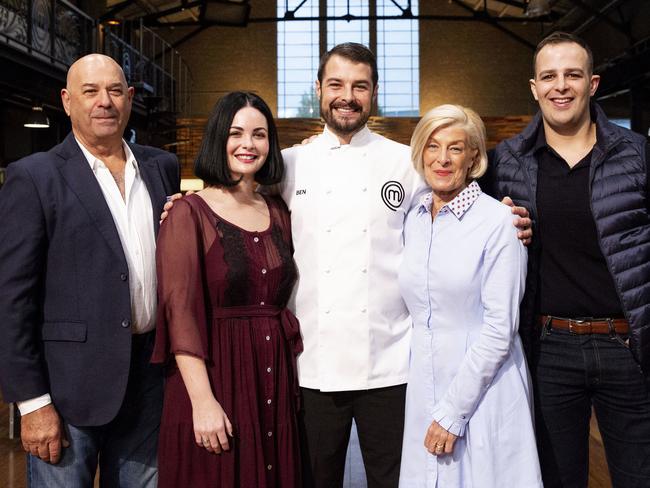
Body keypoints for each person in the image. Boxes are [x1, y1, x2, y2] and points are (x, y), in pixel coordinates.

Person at [161, 42, 533, 488]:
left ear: (373, 93)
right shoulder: (287, 165)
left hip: (393, 365)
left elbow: (458, 203)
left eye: (360, 86)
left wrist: (508, 215)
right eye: (336, 84)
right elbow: (235, 199)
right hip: (312, 366)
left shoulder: (408, 163)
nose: (347, 95)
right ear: (318, 89)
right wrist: (184, 202)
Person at [0, 54, 180, 487]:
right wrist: (31, 402)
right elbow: (11, 299)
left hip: (150, 381)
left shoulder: (162, 168)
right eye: (91, 91)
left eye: (116, 91)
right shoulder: (35, 177)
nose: (105, 102)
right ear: (66, 101)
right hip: (67, 389)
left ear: (131, 98)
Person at [491, 31, 650, 488]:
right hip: (548, 348)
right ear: (534, 87)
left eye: (572, 75)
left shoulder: (636, 155)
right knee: (556, 479)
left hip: (629, 347)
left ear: (593, 83)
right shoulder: (506, 162)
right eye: (549, 76)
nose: (560, 86)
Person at [152, 91, 302, 488]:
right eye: (236, 133)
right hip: (216, 378)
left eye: (260, 134)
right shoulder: (187, 213)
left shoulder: (277, 211)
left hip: (274, 379)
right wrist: (203, 402)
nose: (248, 144)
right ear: (218, 139)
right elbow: (178, 313)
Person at [399, 104, 541, 487]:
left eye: (455, 148)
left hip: (483, 390)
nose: (442, 159)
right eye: (432, 146)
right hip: (424, 382)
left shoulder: (498, 222)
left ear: (474, 157)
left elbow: (499, 329)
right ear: (420, 154)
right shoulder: (413, 217)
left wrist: (453, 412)